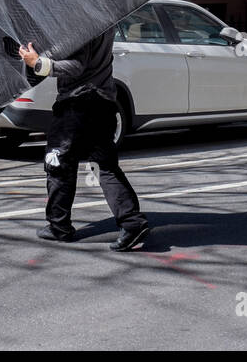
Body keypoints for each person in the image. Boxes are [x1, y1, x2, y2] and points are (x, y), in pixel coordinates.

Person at [19, 29, 150, 252]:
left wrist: (38, 63)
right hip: (103, 102)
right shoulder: (104, 19)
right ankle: (131, 222)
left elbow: (75, 66)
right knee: (104, 167)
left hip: (78, 103)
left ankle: (59, 227)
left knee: (58, 165)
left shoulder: (81, 22)